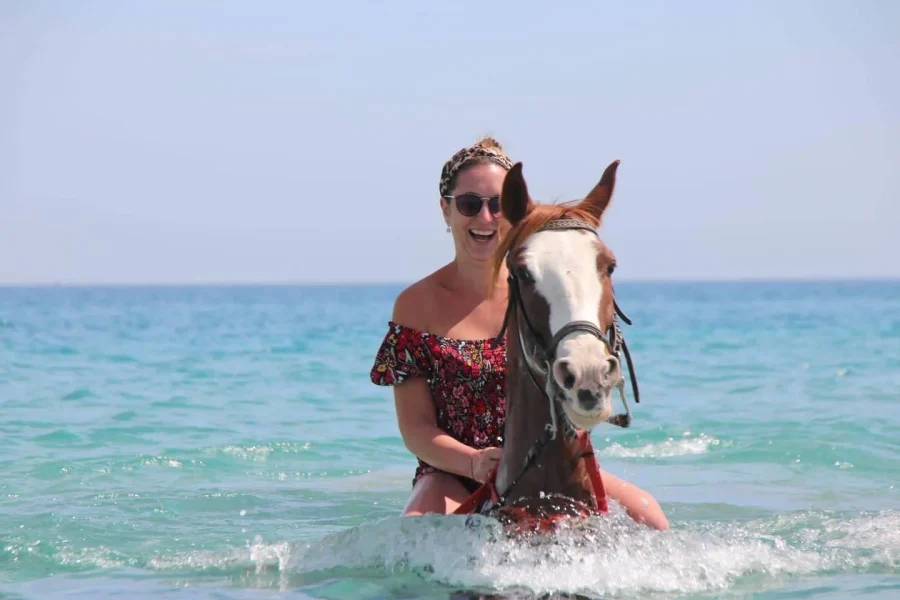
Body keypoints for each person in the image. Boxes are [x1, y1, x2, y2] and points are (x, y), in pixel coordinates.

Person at [369, 136, 669, 531]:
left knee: (652, 519)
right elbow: (416, 429)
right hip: (454, 474)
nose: (485, 218)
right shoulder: (416, 304)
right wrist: (474, 462)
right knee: (413, 534)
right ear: (446, 210)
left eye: (497, 204)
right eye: (469, 204)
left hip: (553, 463)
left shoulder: (542, 292)